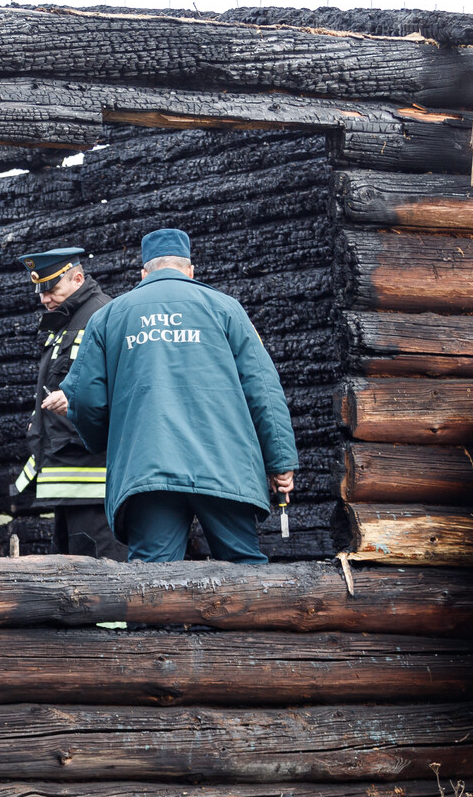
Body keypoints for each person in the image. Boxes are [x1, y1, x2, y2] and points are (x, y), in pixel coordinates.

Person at [42, 228, 297, 563]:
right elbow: (263, 390)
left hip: (147, 468)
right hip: (226, 464)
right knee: (244, 570)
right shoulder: (227, 309)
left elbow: (86, 398)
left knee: (152, 584)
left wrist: (111, 442)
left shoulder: (109, 317)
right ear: (190, 270)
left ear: (144, 273)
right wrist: (280, 463)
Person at [9, 247, 121, 559]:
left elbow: (126, 386)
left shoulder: (104, 316)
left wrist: (76, 398)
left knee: (102, 580)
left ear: (78, 278)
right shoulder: (65, 321)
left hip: (95, 481)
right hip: (65, 478)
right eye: (40, 292)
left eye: (52, 290)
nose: (44, 299)